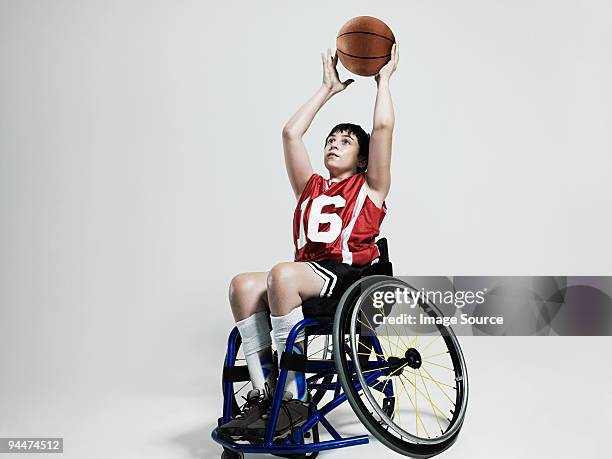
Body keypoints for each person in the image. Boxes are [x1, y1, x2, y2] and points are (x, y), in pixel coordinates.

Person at [219, 44, 399, 441]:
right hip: (310, 276)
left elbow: (383, 129)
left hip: (349, 278)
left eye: (346, 140)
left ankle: (293, 399)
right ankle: (266, 393)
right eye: (331, 139)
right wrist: (326, 89)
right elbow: (290, 132)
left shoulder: (370, 187)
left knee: (282, 275)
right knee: (243, 285)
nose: (334, 143)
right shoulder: (311, 187)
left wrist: (383, 81)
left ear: (363, 158)